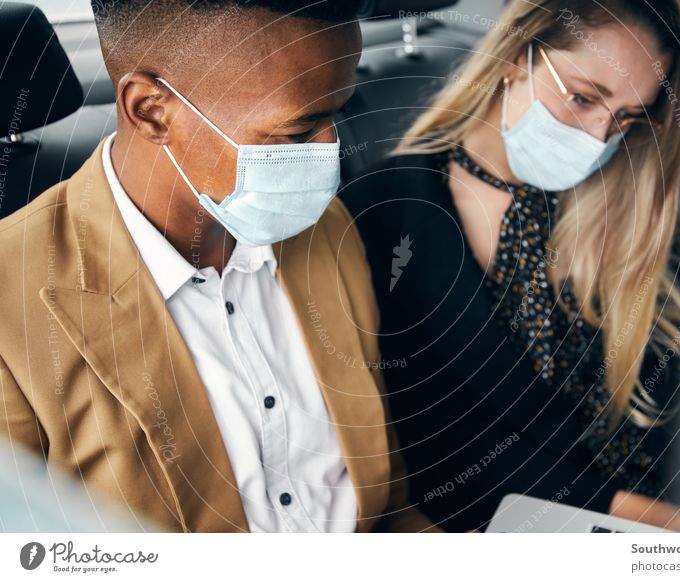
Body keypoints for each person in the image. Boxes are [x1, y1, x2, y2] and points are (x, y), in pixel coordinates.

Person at [0, 0, 434, 533]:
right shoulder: (11, 309)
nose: (332, 151)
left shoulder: (326, 231)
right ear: (151, 111)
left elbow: (383, 506)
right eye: (298, 133)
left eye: (338, 113)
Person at [342, 0, 680, 532]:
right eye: (583, 99)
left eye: (628, 118)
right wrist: (656, 523)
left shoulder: (633, 209)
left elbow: (678, 388)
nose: (598, 137)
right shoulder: (387, 214)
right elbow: (436, 446)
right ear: (517, 56)